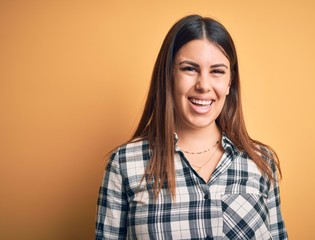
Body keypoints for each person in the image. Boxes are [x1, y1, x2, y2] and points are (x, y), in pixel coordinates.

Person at [96, 14, 288, 239]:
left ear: (230, 83)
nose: (204, 85)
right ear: (168, 76)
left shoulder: (261, 162)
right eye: (189, 69)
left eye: (217, 71)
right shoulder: (125, 164)